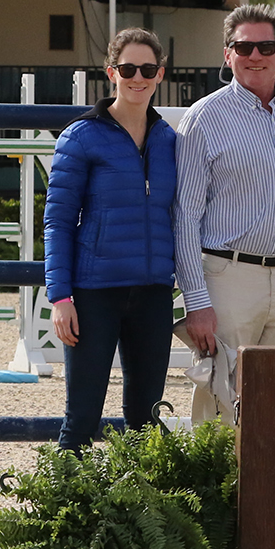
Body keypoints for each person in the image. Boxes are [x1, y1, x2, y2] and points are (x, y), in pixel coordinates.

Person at [175, 5, 275, 364]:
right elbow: (185, 215)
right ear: (227, 54)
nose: (255, 56)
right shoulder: (202, 119)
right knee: (220, 397)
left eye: (266, 47)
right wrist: (196, 300)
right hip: (227, 278)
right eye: (243, 47)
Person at [43, 29, 178, 451]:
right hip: (93, 293)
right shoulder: (81, 136)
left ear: (160, 74)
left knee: (146, 418)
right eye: (128, 69)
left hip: (154, 293)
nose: (137, 77)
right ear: (111, 73)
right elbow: (58, 221)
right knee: (81, 416)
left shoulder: (169, 140)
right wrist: (60, 297)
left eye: (147, 69)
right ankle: (65, 514)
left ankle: (140, 513)